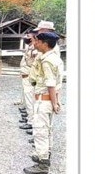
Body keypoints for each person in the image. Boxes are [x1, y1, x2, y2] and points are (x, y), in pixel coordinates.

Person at [23, 29, 64, 174]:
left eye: (38, 41)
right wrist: (56, 102)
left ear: (45, 44)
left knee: (40, 131)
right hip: (49, 100)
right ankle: (46, 154)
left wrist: (54, 103)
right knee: (48, 131)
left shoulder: (47, 61)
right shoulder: (55, 58)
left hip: (44, 100)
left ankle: (43, 164)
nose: (36, 43)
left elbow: (50, 83)